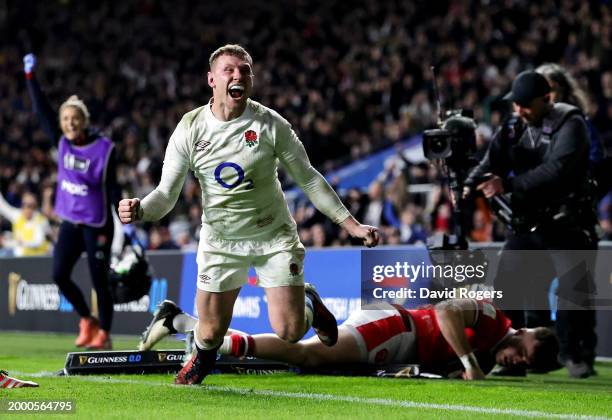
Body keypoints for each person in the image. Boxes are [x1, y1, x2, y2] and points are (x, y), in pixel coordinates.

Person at [118, 44, 379, 385]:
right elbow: (166, 197)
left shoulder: (270, 124)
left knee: (289, 330)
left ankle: (310, 303)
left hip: (272, 235)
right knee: (209, 333)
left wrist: (352, 225)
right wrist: (141, 210)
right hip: (220, 239)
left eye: (245, 71)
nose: (238, 75)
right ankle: (204, 357)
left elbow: (309, 178)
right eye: (229, 70)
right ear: (211, 80)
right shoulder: (190, 128)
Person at [467, 70, 599, 378]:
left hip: (567, 223)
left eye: (525, 105)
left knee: (573, 289)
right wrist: (468, 183)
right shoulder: (514, 126)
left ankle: (574, 355)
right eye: (516, 104)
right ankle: (509, 351)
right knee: (506, 284)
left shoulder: (572, 123)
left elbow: (559, 169)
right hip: (529, 223)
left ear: (547, 99)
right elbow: (491, 162)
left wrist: (509, 185)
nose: (518, 111)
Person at [139, 298, 560, 380]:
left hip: (396, 343)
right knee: (308, 356)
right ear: (525, 333)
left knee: (309, 362)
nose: (522, 362)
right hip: (396, 328)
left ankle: (181, 323)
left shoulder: (491, 354)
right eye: (529, 353)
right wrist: (469, 364)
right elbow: (448, 310)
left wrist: (461, 368)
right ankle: (206, 339)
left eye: (530, 365)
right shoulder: (494, 320)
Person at [23, 53, 121, 350]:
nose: (69, 123)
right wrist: (31, 78)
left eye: (74, 119)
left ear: (84, 120)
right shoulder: (62, 142)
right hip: (71, 222)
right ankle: (86, 319)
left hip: (98, 224)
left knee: (99, 280)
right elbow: (42, 112)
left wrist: (127, 220)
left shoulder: (104, 148)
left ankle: (103, 333)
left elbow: (113, 187)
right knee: (59, 274)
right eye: (65, 119)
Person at [0, 189, 51, 256]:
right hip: (19, 255)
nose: (27, 208)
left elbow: (39, 241)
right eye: (24, 204)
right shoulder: (17, 215)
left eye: (30, 205)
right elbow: (2, 206)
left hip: (38, 257)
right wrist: (5, 243)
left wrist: (21, 243)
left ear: (35, 206)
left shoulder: (41, 220)